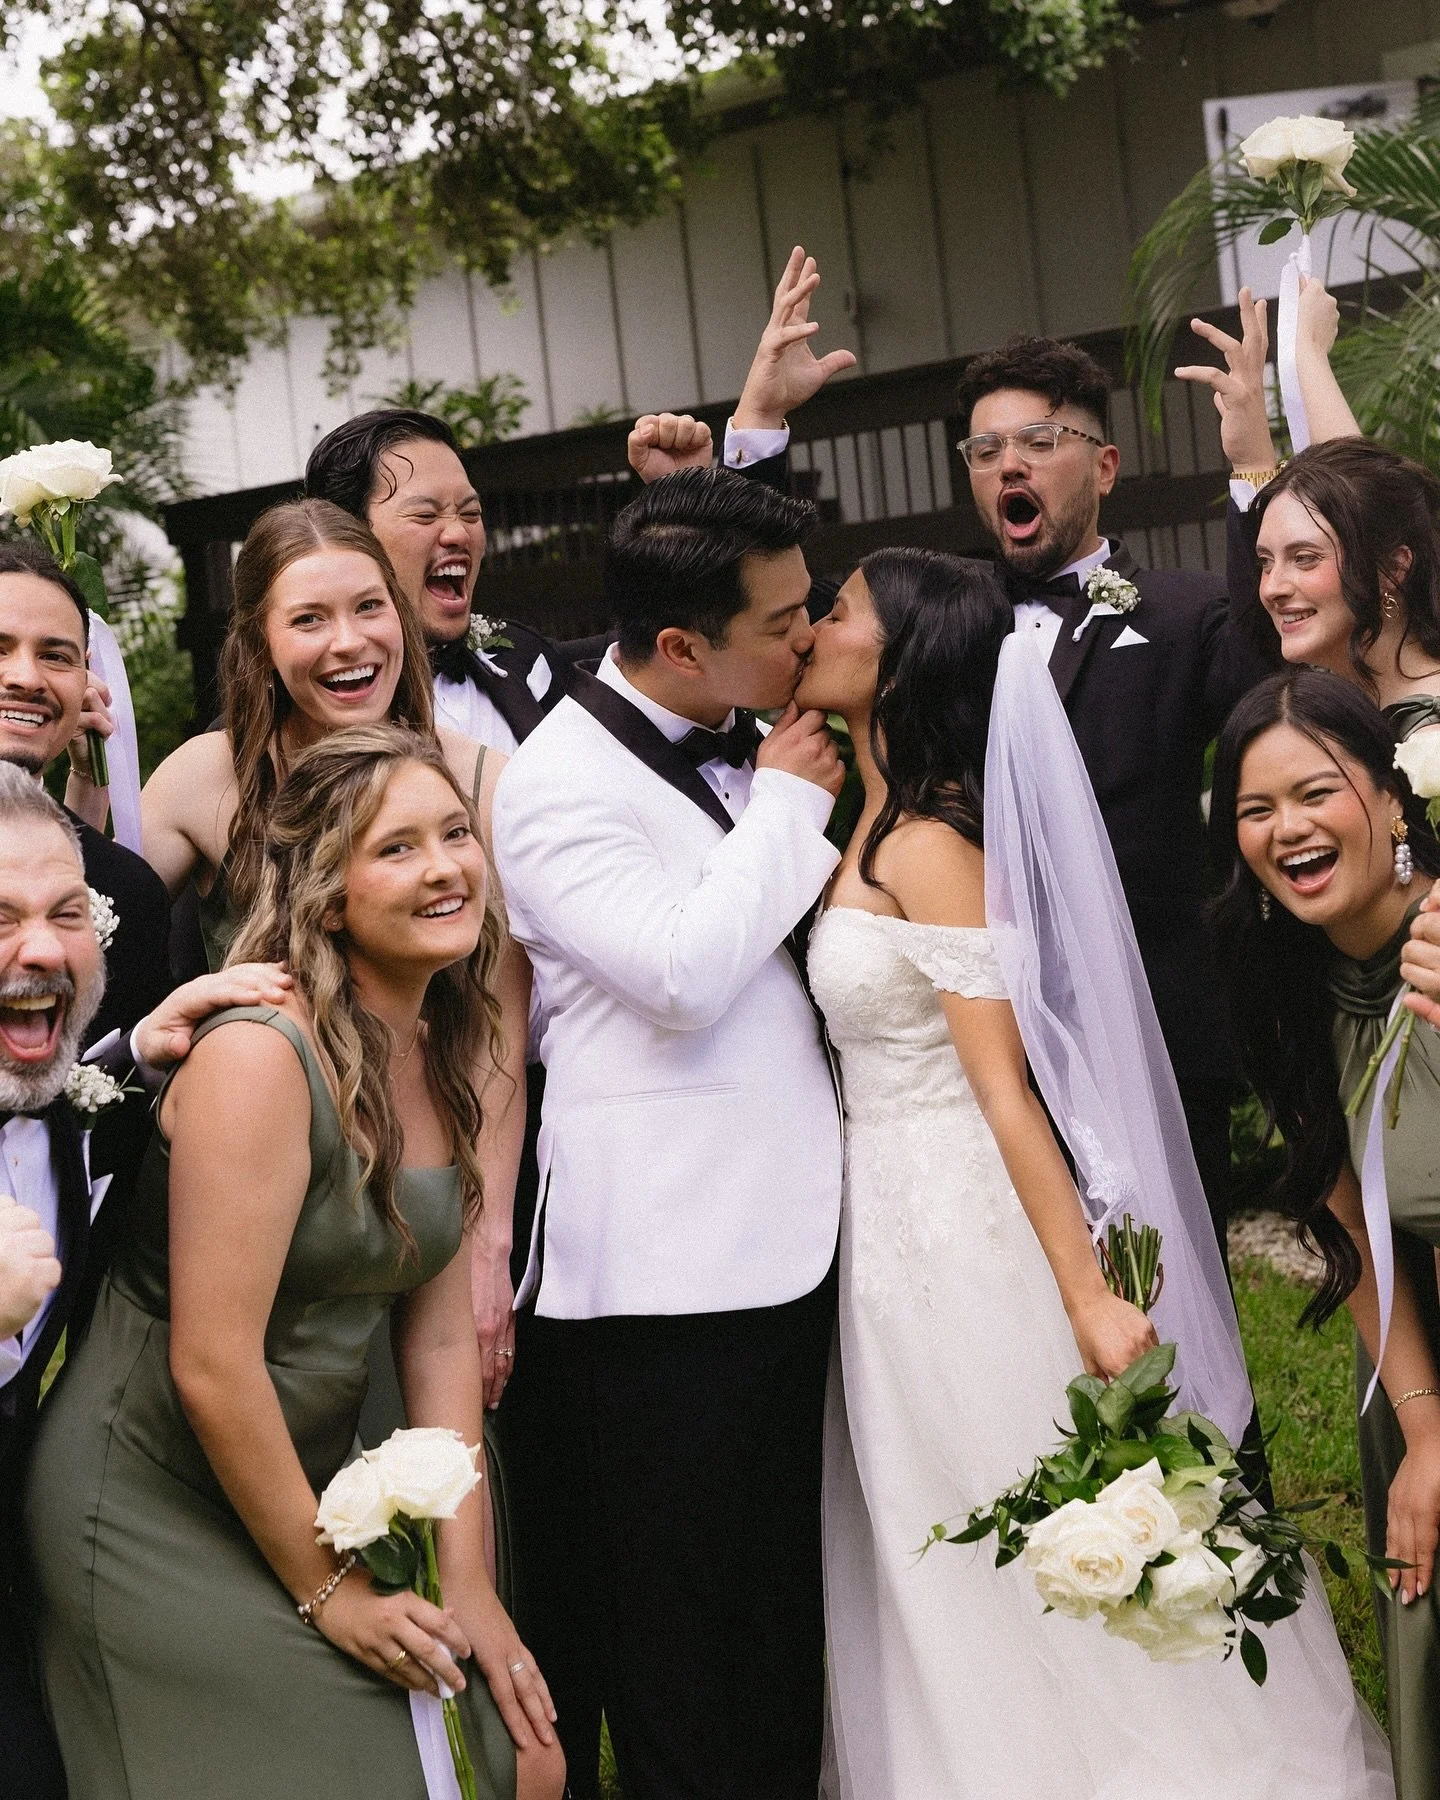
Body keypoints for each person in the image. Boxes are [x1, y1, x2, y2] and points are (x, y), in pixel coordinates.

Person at [796, 559, 1390, 1799]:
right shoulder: (867, 809)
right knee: (935, 1516)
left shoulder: (929, 838)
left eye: (840, 611)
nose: (813, 626)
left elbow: (1007, 1086)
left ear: (900, 657)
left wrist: (1082, 1291)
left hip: (975, 1228)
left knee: (1017, 1497)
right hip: (891, 1232)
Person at [25, 726, 567, 1800]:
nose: (447, 866)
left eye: (456, 834)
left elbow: (441, 1329)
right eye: (398, 848)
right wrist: (333, 1596)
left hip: (302, 1477)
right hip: (151, 1494)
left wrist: (469, 1581)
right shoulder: (259, 1059)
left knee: (518, 1759)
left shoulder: (445, 1042)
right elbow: (214, 1365)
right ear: (327, 894)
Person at [702, 252, 1275, 1252]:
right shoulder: (938, 615)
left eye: (1039, 441)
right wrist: (758, 427)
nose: (1008, 464)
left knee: (1178, 1305)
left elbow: (1271, 676)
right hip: (975, 1026)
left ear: (1102, 466)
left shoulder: (1183, 610)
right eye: (983, 449)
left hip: (1151, 1023)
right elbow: (791, 615)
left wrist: (1255, 468)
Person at [492, 466, 844, 1800]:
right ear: (686, 644)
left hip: (792, 1247)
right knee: (685, 1650)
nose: (806, 638)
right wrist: (790, 802)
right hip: (662, 1288)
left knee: (781, 1624)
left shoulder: (753, 726)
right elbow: (686, 972)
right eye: (783, 621)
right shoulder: (553, 784)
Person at [139, 497, 528, 1405]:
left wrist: (484, 1238)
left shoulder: (481, 784)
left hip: (416, 1229)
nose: (349, 642)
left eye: (368, 607)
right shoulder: (209, 777)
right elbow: (88, 930)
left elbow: (499, 1029)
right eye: (308, 619)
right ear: (258, 643)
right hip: (248, 1218)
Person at [0, 766, 294, 1800]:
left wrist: (141, 1050)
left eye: (66, 914)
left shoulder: (64, 1103)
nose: (40, 948)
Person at [1208, 666, 1440, 1796]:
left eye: (1316, 792)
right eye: (1257, 811)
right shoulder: (1285, 981)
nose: (1288, 829)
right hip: (1414, 1357)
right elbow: (1346, 1218)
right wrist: (1425, 1421)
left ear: (1396, 801)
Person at [1179, 280, 1440, 738]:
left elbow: (1357, 502)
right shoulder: (1342, 715)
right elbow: (1354, 496)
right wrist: (1252, 459)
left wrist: (1308, 357)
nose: (1272, 589)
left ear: (1395, 567)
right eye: (1264, 562)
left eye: (1304, 558)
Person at [304, 408, 574, 751]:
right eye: (425, 515)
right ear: (347, 534)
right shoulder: (276, 725)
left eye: (470, 513)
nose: (459, 533)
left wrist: (664, 494)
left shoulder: (525, 658)